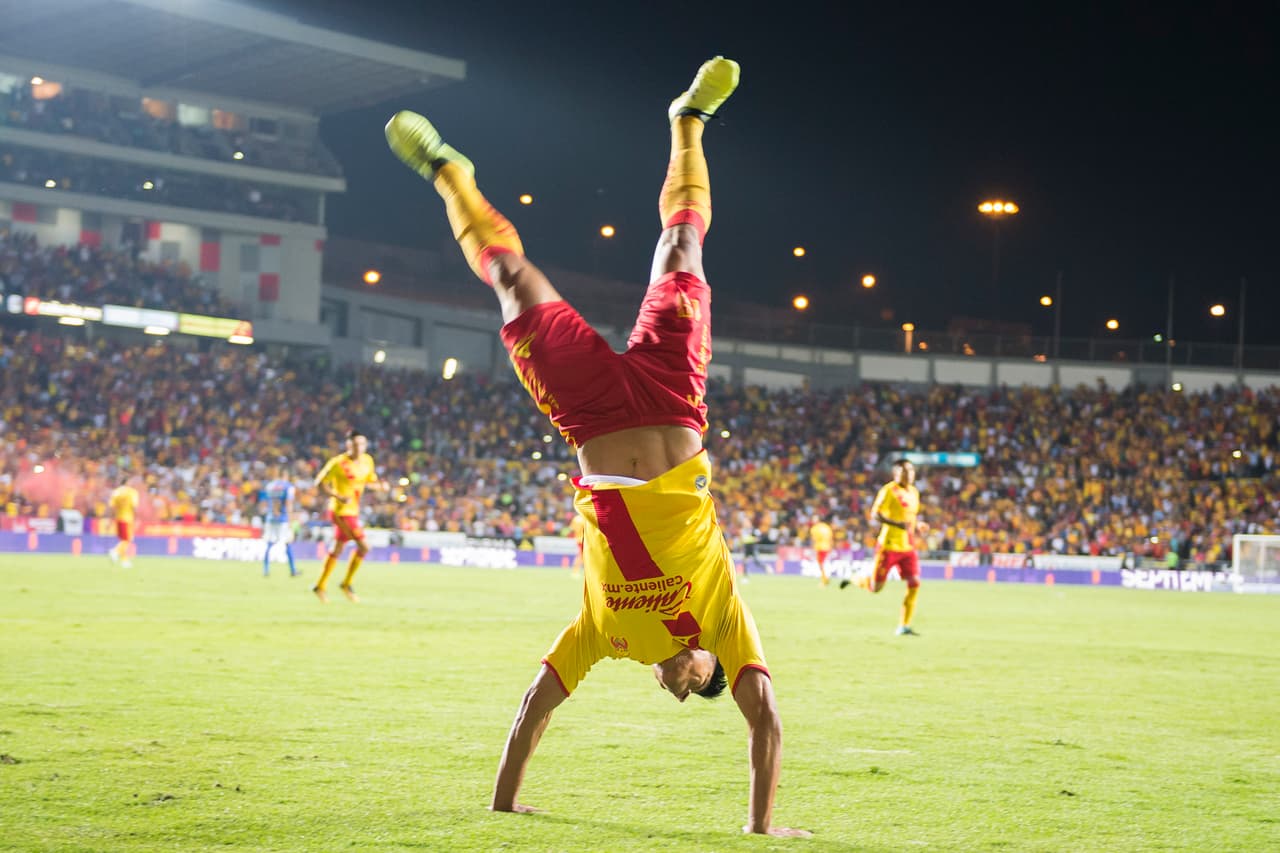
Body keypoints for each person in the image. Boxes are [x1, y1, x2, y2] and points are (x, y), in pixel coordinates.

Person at [385, 56, 807, 837]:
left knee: (510, 277)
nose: (686, 689)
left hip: (590, 423)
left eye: (683, 692)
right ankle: (689, 122)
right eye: (704, 688)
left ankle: (449, 172)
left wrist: (505, 803)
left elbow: (533, 706)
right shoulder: (724, 621)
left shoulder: (600, 632)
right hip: (676, 403)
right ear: (715, 666)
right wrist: (761, 828)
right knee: (682, 248)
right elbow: (768, 722)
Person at [842, 459, 927, 635]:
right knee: (875, 588)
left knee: (915, 582)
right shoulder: (889, 491)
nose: (909, 474)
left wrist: (918, 525)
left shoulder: (914, 492)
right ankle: (854, 579)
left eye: (911, 471)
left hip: (907, 546)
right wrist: (896, 524)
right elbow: (876, 514)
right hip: (888, 545)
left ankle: (904, 625)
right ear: (896, 474)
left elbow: (910, 517)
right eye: (904, 471)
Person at [313, 430, 388, 603]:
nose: (359, 448)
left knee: (337, 549)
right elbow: (320, 483)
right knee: (364, 546)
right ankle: (346, 584)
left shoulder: (367, 461)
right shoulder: (337, 463)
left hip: (353, 511)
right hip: (340, 511)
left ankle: (320, 585)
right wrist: (337, 496)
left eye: (362, 444)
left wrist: (381, 487)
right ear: (348, 445)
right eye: (355, 445)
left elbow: (369, 481)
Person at [258, 463, 299, 578]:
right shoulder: (288, 487)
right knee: (287, 543)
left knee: (269, 544)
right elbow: (288, 504)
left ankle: (265, 570)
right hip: (283, 519)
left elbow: (264, 503)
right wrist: (291, 521)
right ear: (285, 475)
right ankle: (293, 570)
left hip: (270, 518)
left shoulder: (270, 486)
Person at [107, 478, 139, 568]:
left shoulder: (115, 492)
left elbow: (112, 508)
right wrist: (137, 519)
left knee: (123, 540)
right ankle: (115, 551)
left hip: (118, 518)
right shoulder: (132, 492)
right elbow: (134, 507)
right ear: (127, 482)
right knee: (127, 540)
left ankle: (125, 561)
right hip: (128, 519)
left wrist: (110, 520)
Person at [809, 513, 834, 586]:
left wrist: (812, 548)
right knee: (824, 564)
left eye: (814, 519)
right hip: (827, 547)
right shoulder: (827, 527)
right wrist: (831, 547)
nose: (813, 520)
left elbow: (813, 539)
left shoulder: (815, 528)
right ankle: (825, 578)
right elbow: (831, 539)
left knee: (821, 564)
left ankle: (824, 580)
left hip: (820, 547)